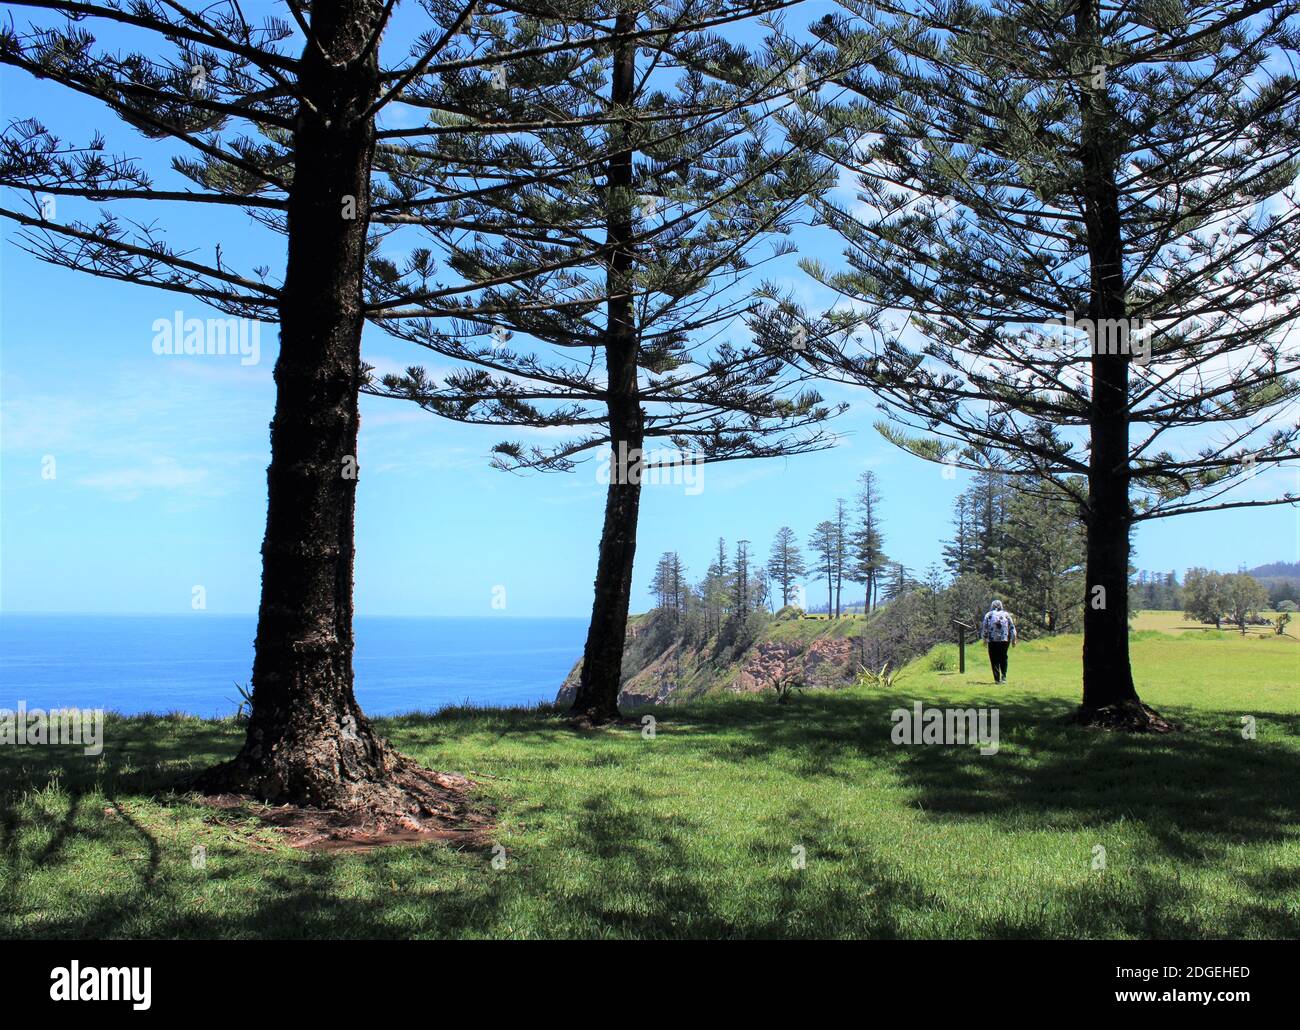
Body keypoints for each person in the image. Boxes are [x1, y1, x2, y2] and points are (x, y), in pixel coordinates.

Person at [980, 599, 1017, 684]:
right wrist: (1013, 639)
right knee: (1003, 658)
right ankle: (1004, 677)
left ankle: (997, 679)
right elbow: (1012, 627)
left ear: (992, 606)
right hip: (1004, 640)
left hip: (992, 640)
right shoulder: (1006, 614)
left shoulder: (988, 615)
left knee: (994, 659)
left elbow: (985, 627)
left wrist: (984, 639)